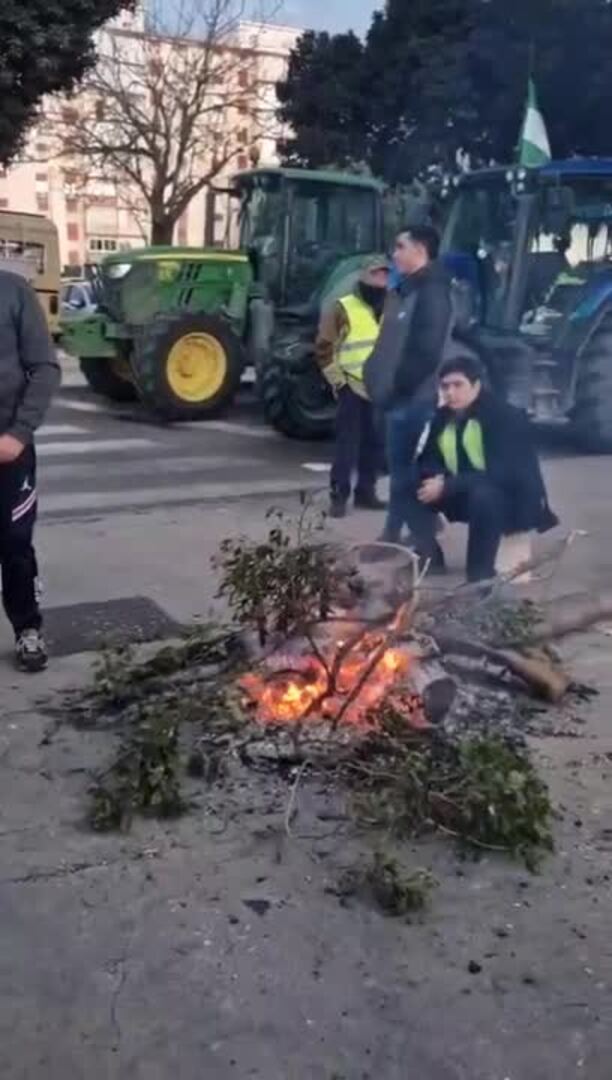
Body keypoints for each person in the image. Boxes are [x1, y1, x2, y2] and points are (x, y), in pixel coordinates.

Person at [405, 355, 558, 582]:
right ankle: (430, 558)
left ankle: (479, 575)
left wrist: (448, 485)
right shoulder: (441, 417)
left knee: (484, 495)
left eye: (458, 385)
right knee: (408, 485)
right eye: (445, 386)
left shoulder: (504, 417)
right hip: (464, 490)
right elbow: (428, 458)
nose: (450, 393)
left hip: (511, 500)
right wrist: (433, 478)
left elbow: (506, 473)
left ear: (476, 386)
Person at [376, 225, 454, 543]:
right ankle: (400, 531)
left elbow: (425, 351)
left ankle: (416, 539)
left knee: (407, 473)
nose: (394, 254)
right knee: (403, 472)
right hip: (405, 395)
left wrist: (398, 390)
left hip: (414, 397)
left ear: (419, 250)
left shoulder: (431, 292)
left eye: (400, 247)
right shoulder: (412, 289)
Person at [0, 269, 60, 670]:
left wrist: (19, 434)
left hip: (8, 449)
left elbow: (45, 368)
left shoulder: (13, 291)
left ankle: (27, 629)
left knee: (14, 544)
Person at [315, 259, 389, 518]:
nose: (380, 278)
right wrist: (339, 382)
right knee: (347, 444)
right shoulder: (343, 307)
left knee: (375, 442)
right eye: (375, 273)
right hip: (352, 386)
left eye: (384, 274)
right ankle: (339, 495)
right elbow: (324, 348)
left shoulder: (394, 305)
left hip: (381, 387)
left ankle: (366, 492)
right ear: (363, 277)